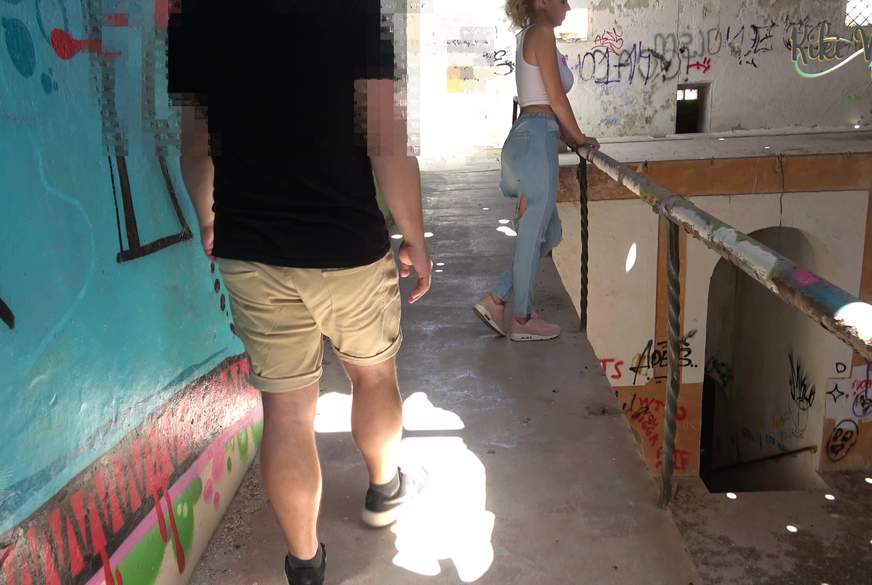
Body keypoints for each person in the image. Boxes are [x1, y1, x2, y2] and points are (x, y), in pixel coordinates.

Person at [167, 2, 431, 584]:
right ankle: (384, 488)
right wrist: (414, 235)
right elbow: (387, 142)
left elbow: (195, 145)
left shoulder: (196, 18)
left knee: (287, 412)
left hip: (251, 246)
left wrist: (210, 219)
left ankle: (305, 563)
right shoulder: (357, 10)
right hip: (346, 242)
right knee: (373, 375)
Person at [475, 0, 599, 342]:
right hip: (537, 137)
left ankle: (497, 298)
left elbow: (544, 96)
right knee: (533, 234)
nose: (568, 7)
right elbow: (555, 98)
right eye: (563, 0)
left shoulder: (530, 34)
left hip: (532, 135)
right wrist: (580, 138)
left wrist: (569, 137)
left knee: (549, 233)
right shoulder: (542, 32)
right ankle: (523, 318)